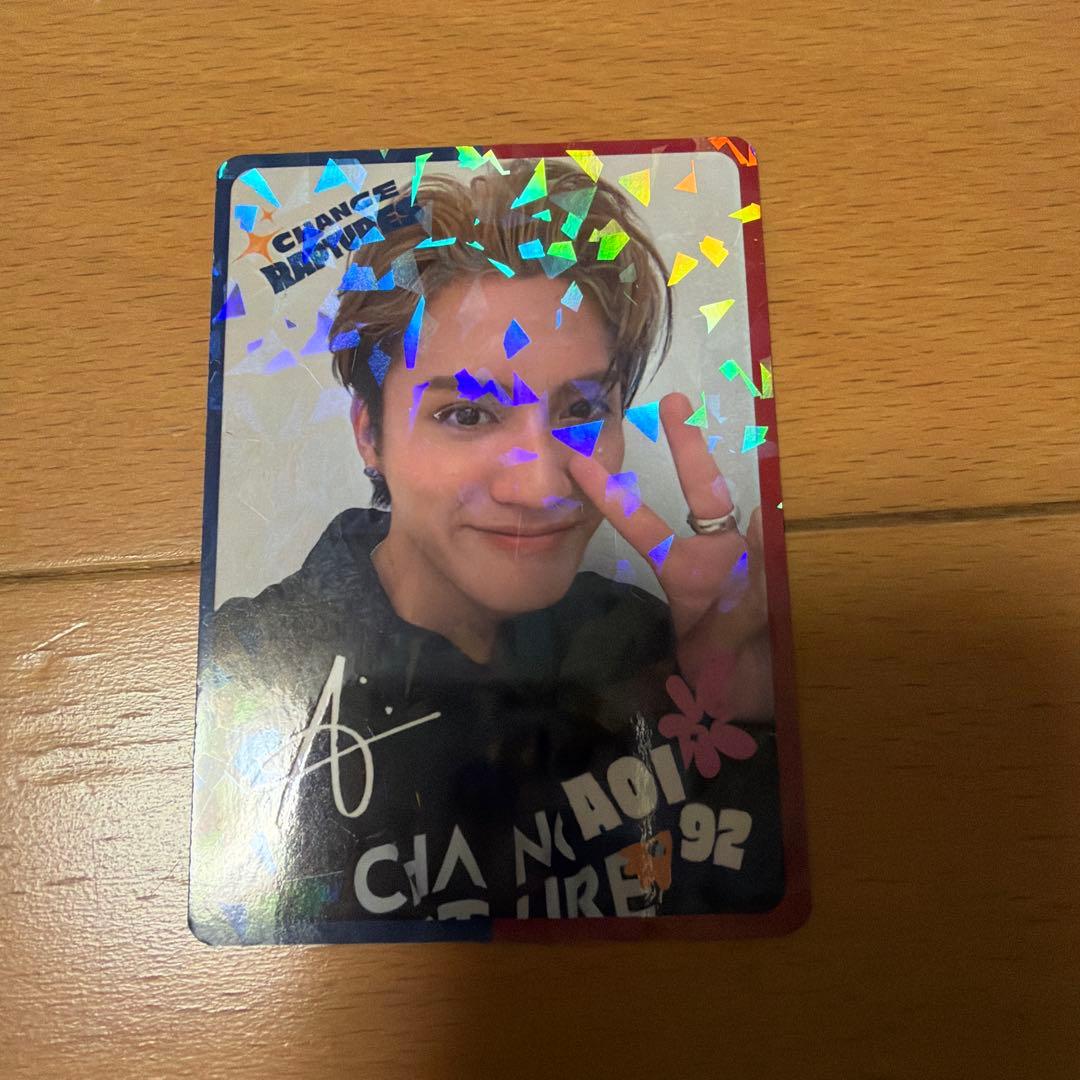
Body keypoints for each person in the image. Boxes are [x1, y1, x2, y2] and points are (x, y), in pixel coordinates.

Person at [190, 158, 784, 944]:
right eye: (467, 415)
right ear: (370, 434)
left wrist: (748, 724)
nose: (539, 486)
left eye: (581, 409)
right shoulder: (244, 670)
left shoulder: (652, 644)